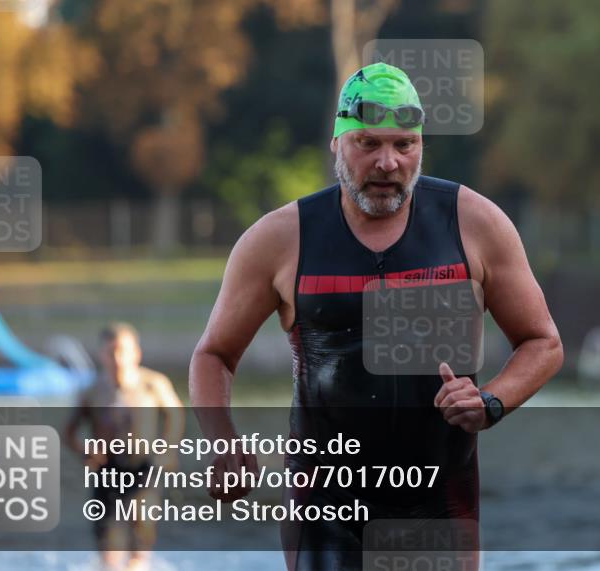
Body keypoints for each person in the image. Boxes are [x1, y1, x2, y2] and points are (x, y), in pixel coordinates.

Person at [189, 62, 564, 570]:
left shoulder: (474, 222)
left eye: (404, 145)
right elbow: (215, 353)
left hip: (440, 502)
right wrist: (222, 442)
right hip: (324, 506)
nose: (388, 162)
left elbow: (543, 342)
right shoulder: (280, 238)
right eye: (368, 143)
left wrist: (491, 401)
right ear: (337, 144)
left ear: (421, 146)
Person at [65, 323, 185, 571]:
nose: (118, 359)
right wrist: (85, 451)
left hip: (144, 467)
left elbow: (175, 415)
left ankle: (138, 563)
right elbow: (68, 433)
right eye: (111, 352)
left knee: (141, 528)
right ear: (102, 355)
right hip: (107, 469)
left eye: (123, 352)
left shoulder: (153, 384)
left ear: (136, 354)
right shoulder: (92, 391)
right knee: (106, 547)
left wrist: (168, 449)